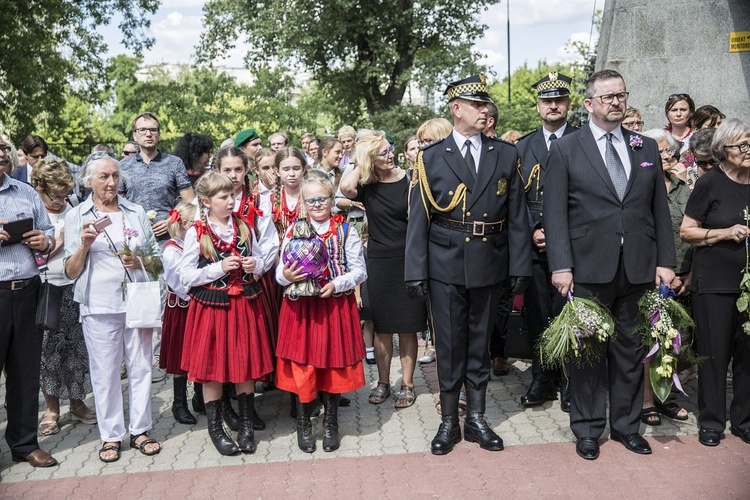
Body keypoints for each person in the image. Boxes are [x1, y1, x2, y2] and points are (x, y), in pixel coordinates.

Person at [544, 69, 676, 461]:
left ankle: (626, 426)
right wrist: (561, 265)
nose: (616, 102)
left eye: (621, 95)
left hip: (637, 266)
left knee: (631, 351)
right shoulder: (568, 149)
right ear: (588, 104)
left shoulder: (645, 147)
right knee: (587, 352)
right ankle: (587, 429)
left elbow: (659, 212)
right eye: (607, 97)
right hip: (586, 268)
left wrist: (666, 261)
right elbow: (555, 215)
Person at [405, 74, 532, 455]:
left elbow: (518, 217)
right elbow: (419, 220)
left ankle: (476, 419)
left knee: (479, 346)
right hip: (444, 264)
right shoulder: (430, 158)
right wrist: (415, 272)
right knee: (448, 345)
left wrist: (520, 266)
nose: (485, 111)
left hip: (490, 262)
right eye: (477, 106)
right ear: (457, 109)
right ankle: (448, 421)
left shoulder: (505, 154)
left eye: (486, 106)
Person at [64, 152, 162, 463]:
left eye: (115, 176)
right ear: (88, 181)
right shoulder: (78, 216)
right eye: (104, 176)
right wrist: (84, 244)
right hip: (99, 304)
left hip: (137, 300)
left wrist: (140, 260)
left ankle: (141, 430)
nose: (111, 182)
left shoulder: (135, 212)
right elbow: (70, 271)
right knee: (105, 373)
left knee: (141, 366)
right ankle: (110, 436)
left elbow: (158, 262)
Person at [178, 172, 274, 456]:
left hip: (244, 302)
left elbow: (260, 264)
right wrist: (217, 269)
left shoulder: (244, 227)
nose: (231, 201)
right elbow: (185, 276)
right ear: (206, 201)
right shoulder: (197, 231)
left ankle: (245, 425)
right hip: (212, 306)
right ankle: (216, 428)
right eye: (224, 197)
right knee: (212, 370)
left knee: (245, 364)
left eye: (232, 195)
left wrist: (253, 264)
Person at [275, 177, 367, 453]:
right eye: (311, 200)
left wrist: (336, 284)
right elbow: (280, 271)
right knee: (303, 366)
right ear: (303, 203)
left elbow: (359, 270)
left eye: (322, 199)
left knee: (331, 366)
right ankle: (304, 423)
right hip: (301, 307)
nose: (317, 205)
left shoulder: (345, 230)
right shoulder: (294, 229)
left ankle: (331, 423)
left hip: (333, 304)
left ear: (331, 199)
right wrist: (286, 275)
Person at [340, 129, 427, 409]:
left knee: (408, 327)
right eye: (382, 153)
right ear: (370, 159)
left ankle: (408, 383)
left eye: (390, 150)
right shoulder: (367, 184)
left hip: (407, 259)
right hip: (377, 259)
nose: (390, 155)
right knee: (381, 328)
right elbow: (345, 189)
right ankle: (383, 381)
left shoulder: (409, 179)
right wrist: (358, 159)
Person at [680, 118, 750, 447]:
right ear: (724, 150)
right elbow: (687, 231)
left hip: (748, 288)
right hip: (714, 284)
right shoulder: (710, 183)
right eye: (742, 145)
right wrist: (724, 232)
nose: (748, 150)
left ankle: (744, 420)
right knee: (713, 355)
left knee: (748, 355)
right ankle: (711, 421)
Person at [516, 71, 578, 411]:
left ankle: (571, 380)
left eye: (559, 100)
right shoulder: (523, 147)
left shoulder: (583, 141)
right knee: (537, 313)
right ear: (538, 106)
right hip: (535, 244)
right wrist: (532, 229)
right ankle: (542, 376)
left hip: (572, 242)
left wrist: (557, 233)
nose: (553, 106)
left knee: (570, 311)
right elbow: (515, 199)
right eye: (546, 101)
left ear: (568, 103)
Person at [119, 111, 195, 383]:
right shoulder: (123, 166)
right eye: (143, 130)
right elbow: (116, 205)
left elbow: (190, 203)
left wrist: (171, 220)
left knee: (162, 300)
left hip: (167, 242)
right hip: (134, 242)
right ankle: (129, 359)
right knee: (132, 300)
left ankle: (158, 357)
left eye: (153, 129)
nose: (148, 133)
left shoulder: (173, 163)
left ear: (159, 133)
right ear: (135, 135)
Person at [0, 134, 58, 468]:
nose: (1, 157)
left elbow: (49, 234)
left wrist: (43, 239)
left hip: (27, 291)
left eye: (3, 152)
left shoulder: (25, 192)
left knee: (25, 375)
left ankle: (24, 444)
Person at [31, 158, 96, 437]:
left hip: (72, 285)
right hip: (44, 288)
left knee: (75, 350)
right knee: (48, 353)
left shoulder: (71, 208)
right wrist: (54, 245)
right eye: (54, 196)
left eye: (63, 195)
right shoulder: (31, 210)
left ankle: (78, 403)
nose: (59, 201)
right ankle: (52, 409)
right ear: (39, 189)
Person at [639, 129, 691, 425]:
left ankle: (666, 397)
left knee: (673, 339)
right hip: (647, 275)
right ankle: (647, 401)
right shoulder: (639, 186)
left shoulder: (686, 189)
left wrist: (687, 274)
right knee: (649, 339)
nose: (663, 157)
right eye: (657, 152)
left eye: (668, 152)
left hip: (679, 278)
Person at [160, 201, 198, 425]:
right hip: (182, 308)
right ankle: (179, 403)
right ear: (184, 224)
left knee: (199, 351)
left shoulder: (190, 245)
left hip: (194, 305)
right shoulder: (172, 251)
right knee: (180, 356)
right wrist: (197, 297)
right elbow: (179, 283)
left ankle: (200, 397)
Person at [271, 147, 306, 240]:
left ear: (304, 169)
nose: (292, 174)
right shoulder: (271, 199)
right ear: (277, 171)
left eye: (296, 168)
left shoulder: (311, 196)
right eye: (286, 169)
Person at [664, 93, 696, 169]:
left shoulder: (698, 136)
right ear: (667, 113)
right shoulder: (661, 137)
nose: (678, 114)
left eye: (683, 110)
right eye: (674, 110)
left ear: (690, 112)